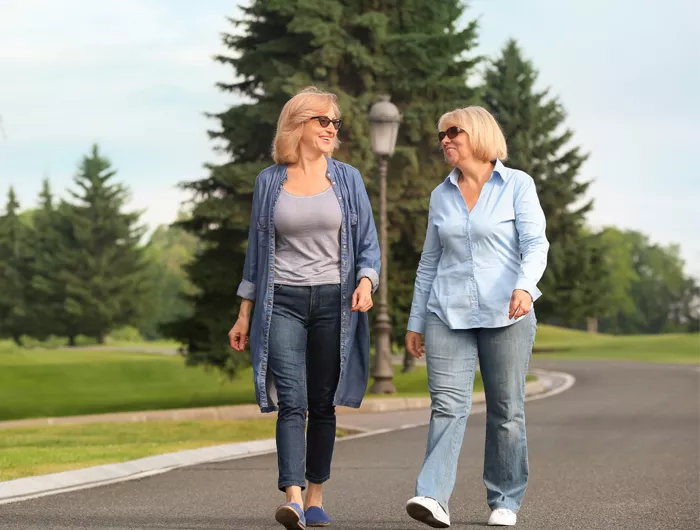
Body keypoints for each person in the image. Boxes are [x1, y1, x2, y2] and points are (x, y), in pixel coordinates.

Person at [228, 87, 380, 530]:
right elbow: (256, 255)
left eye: (336, 123)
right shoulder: (269, 181)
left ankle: (316, 496)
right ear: (299, 125)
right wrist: (243, 313)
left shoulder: (348, 179)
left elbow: (367, 243)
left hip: (336, 301)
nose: (332, 129)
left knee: (323, 403)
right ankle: (292, 497)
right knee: (291, 400)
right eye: (323, 121)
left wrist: (367, 282)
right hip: (283, 302)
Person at [404, 106, 549, 528]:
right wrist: (416, 321)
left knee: (506, 410)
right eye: (441, 135)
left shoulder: (517, 185)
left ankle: (505, 499)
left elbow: (535, 244)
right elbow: (429, 263)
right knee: (447, 406)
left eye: (454, 131)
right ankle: (432, 497)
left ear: (480, 134)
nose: (445, 140)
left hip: (507, 313)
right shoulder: (440, 195)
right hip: (446, 313)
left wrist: (525, 286)